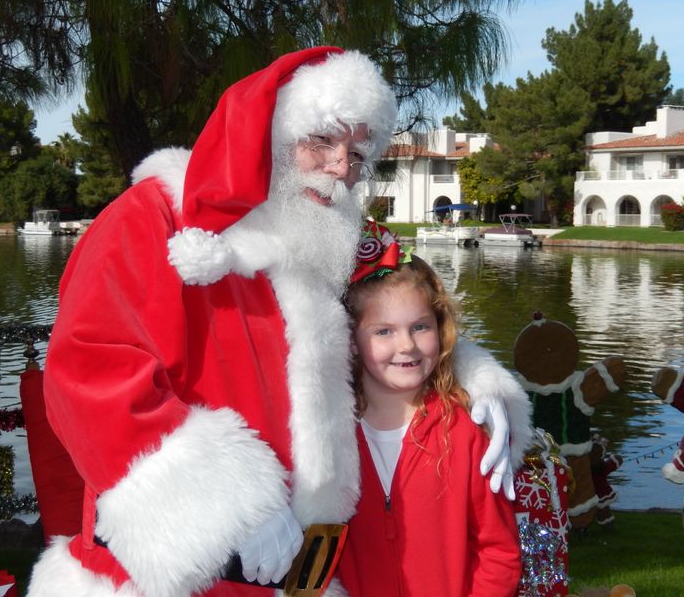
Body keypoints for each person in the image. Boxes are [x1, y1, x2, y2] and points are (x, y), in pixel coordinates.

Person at [27, 46, 532, 597]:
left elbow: (402, 318)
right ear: (266, 134)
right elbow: (90, 378)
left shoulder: (334, 242)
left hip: (302, 579)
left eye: (359, 153)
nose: (342, 167)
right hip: (165, 579)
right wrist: (225, 503)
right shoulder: (153, 218)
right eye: (322, 140)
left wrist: (475, 380)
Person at [336, 223, 522, 595]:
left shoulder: (464, 431)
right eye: (383, 331)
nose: (407, 346)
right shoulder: (332, 433)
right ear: (351, 341)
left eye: (420, 327)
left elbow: (499, 553)